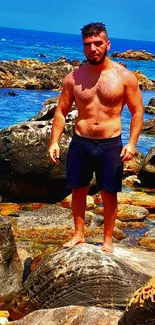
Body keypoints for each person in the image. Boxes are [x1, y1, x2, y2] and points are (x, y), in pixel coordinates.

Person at [48, 22, 143, 252]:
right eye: (88, 44)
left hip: (111, 144)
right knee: (78, 190)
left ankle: (108, 239)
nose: (93, 48)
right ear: (83, 47)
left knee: (109, 193)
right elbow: (61, 110)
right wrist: (54, 142)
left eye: (98, 43)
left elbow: (137, 111)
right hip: (81, 141)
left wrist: (131, 143)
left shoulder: (124, 77)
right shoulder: (73, 78)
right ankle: (79, 234)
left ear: (107, 44)